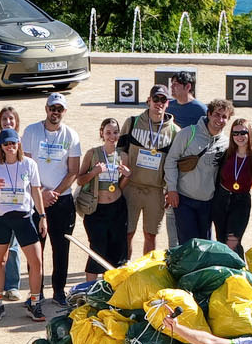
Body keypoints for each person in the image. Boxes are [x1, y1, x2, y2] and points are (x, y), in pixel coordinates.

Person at [22, 92, 82, 312]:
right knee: (35, 249)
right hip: (35, 199)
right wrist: (41, 193)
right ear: (46, 109)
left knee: (61, 248)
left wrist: (54, 193)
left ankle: (58, 291)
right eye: (52, 108)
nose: (55, 112)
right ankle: (35, 293)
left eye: (59, 109)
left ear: (64, 112)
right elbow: (25, 165)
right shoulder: (31, 131)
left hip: (61, 200)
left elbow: (73, 170)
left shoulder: (71, 135)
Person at [0, 129, 46, 318]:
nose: (10, 147)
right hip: (1, 219)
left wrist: (42, 216)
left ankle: (34, 302)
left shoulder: (29, 164)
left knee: (36, 262)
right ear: (1, 147)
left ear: (18, 143)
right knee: (0, 261)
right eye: (6, 144)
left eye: (13, 143)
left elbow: (36, 191)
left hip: (24, 218)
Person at [165, 98, 233, 243]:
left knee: (205, 243)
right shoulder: (188, 133)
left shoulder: (226, 143)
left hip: (208, 202)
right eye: (216, 114)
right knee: (189, 244)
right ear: (208, 114)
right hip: (183, 199)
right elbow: (171, 161)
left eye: (224, 117)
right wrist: (172, 189)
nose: (220, 120)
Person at [120, 87, 178, 255]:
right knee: (127, 233)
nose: (159, 103)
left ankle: (146, 269)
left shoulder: (175, 131)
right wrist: (122, 161)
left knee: (150, 235)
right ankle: (125, 266)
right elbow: (120, 148)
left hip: (156, 190)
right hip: (131, 186)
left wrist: (170, 189)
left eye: (163, 100)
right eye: (156, 99)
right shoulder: (132, 122)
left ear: (168, 103)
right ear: (148, 100)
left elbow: (175, 165)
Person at [76, 119, 131, 279]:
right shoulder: (92, 154)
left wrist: (127, 176)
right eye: (108, 132)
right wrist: (94, 172)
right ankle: (90, 290)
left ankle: (110, 289)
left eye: (115, 132)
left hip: (117, 209)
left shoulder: (123, 156)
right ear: (102, 133)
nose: (112, 136)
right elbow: (80, 180)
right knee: (96, 250)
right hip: (96, 210)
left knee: (116, 251)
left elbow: (121, 186)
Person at [0, 105, 28, 298]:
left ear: (16, 121)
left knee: (13, 247)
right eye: (4, 119)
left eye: (11, 118)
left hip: (16, 202)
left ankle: (12, 286)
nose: (7, 122)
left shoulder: (19, 141)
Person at [211, 117, 252, 251]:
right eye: (235, 133)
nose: (239, 136)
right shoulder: (227, 153)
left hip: (241, 201)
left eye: (243, 133)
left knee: (233, 242)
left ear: (249, 134)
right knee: (221, 240)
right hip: (221, 199)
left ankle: (239, 265)